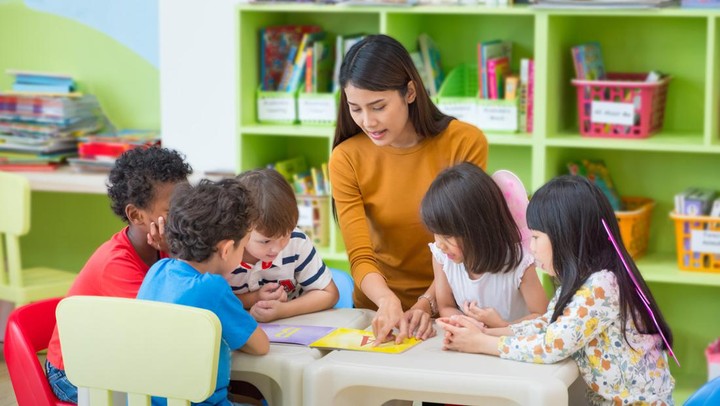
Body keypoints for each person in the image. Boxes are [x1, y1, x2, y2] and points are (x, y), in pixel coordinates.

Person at [437, 175, 675, 405]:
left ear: (566, 236)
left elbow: (552, 345)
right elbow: (547, 325)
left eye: (537, 237)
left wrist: (480, 343)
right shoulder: (580, 284)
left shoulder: (602, 285)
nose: (531, 247)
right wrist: (485, 333)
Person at [329, 34, 488, 344]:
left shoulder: (465, 143)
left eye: (378, 106)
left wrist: (426, 303)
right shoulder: (346, 158)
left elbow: (464, 244)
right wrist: (387, 302)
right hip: (377, 309)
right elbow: (360, 256)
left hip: (453, 305)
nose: (368, 121)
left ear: (410, 92)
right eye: (355, 108)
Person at [45, 147, 192, 403]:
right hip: (73, 371)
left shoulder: (164, 249)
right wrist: (178, 253)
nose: (186, 217)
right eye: (172, 211)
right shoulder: (116, 264)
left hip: (116, 357)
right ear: (136, 215)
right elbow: (167, 325)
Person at [137, 178, 270, 406]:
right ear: (227, 249)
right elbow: (260, 346)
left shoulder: (158, 270)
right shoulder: (212, 288)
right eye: (244, 244)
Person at [420, 162, 548, 328]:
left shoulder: (518, 263)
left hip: (509, 347)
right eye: (436, 233)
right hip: (473, 346)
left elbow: (542, 317)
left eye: (447, 236)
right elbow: (446, 306)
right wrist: (468, 323)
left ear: (479, 228)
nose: (439, 244)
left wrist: (500, 326)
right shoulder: (442, 257)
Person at [226, 168, 339, 322]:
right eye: (265, 241)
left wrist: (283, 310)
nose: (277, 249)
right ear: (239, 228)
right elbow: (209, 300)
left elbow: (329, 293)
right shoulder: (224, 252)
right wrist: (253, 298)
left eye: (285, 235)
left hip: (291, 328)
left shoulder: (296, 241)